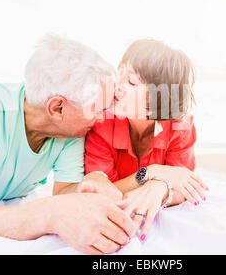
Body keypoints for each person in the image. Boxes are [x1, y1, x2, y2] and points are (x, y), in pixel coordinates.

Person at [0, 34, 135, 255]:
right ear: (57, 108)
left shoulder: (70, 131)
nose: (103, 119)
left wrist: (93, 181)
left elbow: (63, 193)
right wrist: (50, 214)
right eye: (97, 111)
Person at [84, 39, 208, 242]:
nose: (117, 86)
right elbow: (104, 189)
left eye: (131, 82)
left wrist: (159, 187)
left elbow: (184, 185)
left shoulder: (179, 127)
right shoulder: (101, 124)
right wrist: (151, 174)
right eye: (119, 73)